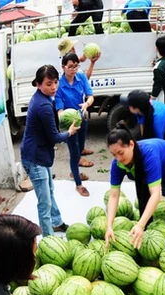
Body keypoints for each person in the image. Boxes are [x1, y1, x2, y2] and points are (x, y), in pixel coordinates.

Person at [105, 123, 165, 248]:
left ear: (131, 144)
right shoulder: (117, 164)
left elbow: (156, 195)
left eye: (121, 152)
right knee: (143, 202)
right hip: (142, 169)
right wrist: (109, 225)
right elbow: (114, 195)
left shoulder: (148, 156)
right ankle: (147, 239)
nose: (118, 158)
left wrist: (139, 225)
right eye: (114, 155)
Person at [21, 65, 79, 235]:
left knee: (50, 190)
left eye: (55, 82)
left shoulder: (42, 98)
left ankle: (57, 222)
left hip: (40, 153)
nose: (53, 87)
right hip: (34, 158)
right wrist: (69, 132)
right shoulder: (44, 106)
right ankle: (49, 238)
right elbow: (54, 137)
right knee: (44, 201)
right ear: (38, 84)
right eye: (48, 84)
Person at [55, 53, 95, 197]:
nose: (73, 69)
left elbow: (90, 96)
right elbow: (59, 108)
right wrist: (65, 120)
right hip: (69, 123)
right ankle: (78, 184)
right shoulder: (59, 84)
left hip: (82, 118)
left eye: (76, 66)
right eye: (70, 66)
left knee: (80, 148)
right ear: (63, 67)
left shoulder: (81, 77)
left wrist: (86, 103)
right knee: (74, 152)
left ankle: (74, 171)